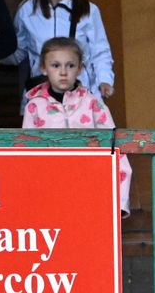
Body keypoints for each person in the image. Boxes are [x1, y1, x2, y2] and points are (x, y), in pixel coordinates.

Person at [22, 36, 131, 215]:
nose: (63, 72)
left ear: (80, 69)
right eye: (55, 65)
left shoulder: (93, 104)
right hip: (50, 190)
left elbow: (115, 149)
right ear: (43, 67)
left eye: (70, 65)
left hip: (90, 186)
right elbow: (26, 154)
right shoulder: (34, 107)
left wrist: (119, 201)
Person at [8, 0, 115, 102]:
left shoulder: (89, 10)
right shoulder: (27, 9)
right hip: (42, 98)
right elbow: (18, 50)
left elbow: (100, 51)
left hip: (82, 97)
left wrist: (105, 80)